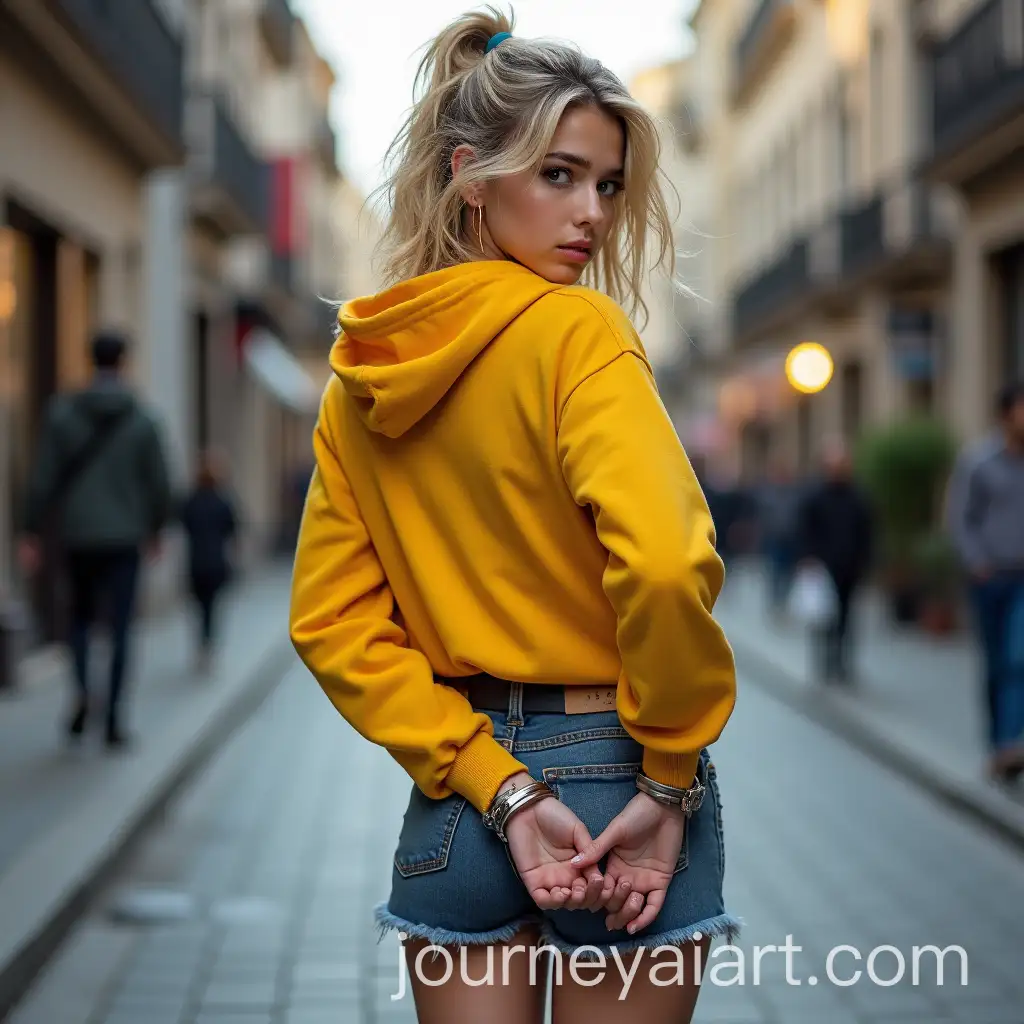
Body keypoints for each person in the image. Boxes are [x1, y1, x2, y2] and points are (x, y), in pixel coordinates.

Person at [289, 10, 738, 1021]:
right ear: (470, 174)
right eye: (558, 175)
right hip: (620, 770)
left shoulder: (363, 377)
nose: (592, 213)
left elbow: (329, 623)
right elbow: (665, 564)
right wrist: (668, 779)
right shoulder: (579, 333)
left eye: (609, 183)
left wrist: (498, 782)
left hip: (465, 792)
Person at [18, 331, 172, 747]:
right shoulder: (142, 419)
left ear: (91, 361)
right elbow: (159, 483)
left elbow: (42, 477)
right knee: (121, 627)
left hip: (78, 534)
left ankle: (84, 692)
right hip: (124, 538)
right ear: (122, 362)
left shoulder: (63, 414)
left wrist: (30, 529)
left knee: (80, 621)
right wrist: (157, 529)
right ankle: (114, 722)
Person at [946, 382, 1024, 783]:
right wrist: (977, 563)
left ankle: (1010, 743)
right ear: (1005, 413)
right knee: (996, 665)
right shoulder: (979, 461)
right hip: (992, 577)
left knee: (1017, 658)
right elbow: (960, 517)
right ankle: (998, 745)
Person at [795, 440, 874, 683]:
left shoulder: (858, 497)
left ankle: (842, 663)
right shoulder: (815, 497)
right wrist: (808, 558)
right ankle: (825, 662)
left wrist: (865, 560)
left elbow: (867, 531)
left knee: (846, 617)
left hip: (849, 567)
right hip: (822, 568)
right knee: (822, 617)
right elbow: (805, 530)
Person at [178, 450, 238, 674]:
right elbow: (233, 529)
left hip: (195, 562)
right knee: (212, 606)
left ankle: (202, 643)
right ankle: (209, 644)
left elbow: (182, 523)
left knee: (199, 607)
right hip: (216, 564)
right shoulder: (223, 502)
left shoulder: (190, 501)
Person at [756, 461, 802, 612]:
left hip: (790, 538)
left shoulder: (795, 493)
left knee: (788, 571)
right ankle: (775, 600)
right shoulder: (768, 493)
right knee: (774, 570)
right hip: (773, 538)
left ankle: (782, 600)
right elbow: (761, 515)